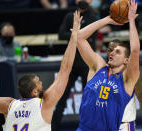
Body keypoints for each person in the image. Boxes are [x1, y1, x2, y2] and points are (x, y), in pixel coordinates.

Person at [0, 11, 82, 131]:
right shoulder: (45, 104)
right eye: (39, 82)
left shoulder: (8, 105)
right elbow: (65, 69)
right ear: (35, 91)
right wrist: (74, 36)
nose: (42, 83)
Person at [76, 0, 140, 130]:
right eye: (112, 50)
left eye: (118, 52)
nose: (112, 53)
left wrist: (131, 20)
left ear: (126, 60)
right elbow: (78, 38)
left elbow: (134, 50)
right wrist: (107, 19)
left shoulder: (127, 79)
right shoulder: (98, 67)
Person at [51, 0, 97, 130]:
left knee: (89, 99)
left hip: (86, 65)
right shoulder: (69, 16)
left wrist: (74, 34)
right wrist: (77, 34)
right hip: (70, 64)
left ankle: (90, 125)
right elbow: (61, 35)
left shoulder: (93, 17)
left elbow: (89, 36)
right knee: (61, 97)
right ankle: (53, 127)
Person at [107, 41, 142, 131]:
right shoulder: (101, 72)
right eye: (110, 49)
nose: (112, 53)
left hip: (123, 126)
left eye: (117, 51)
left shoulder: (131, 75)